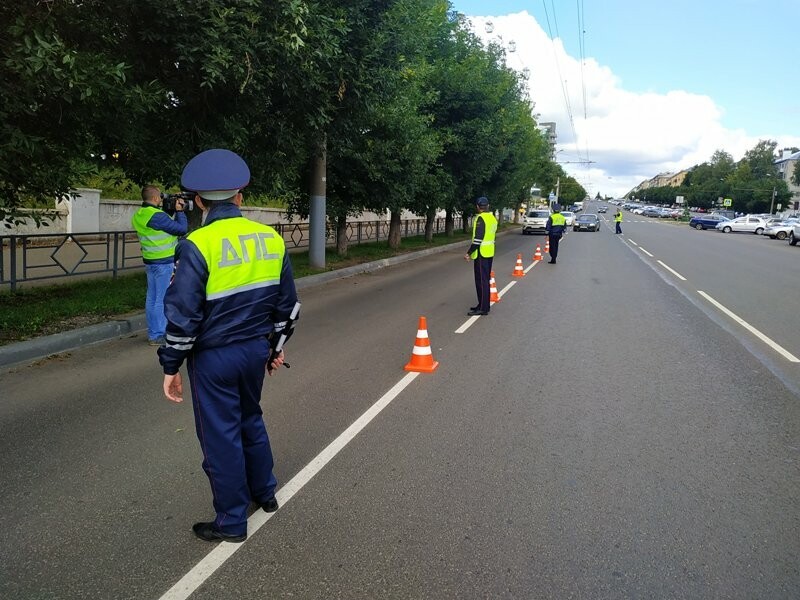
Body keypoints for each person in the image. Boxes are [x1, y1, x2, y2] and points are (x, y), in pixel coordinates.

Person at [158, 149, 299, 543]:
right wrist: (275, 347)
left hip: (214, 358)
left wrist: (170, 366)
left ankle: (232, 521)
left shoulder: (196, 245)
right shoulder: (270, 239)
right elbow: (287, 307)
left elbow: (183, 316)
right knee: (250, 419)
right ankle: (265, 492)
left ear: (199, 201)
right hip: (255, 350)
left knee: (221, 436)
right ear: (240, 196)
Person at [131, 185, 189, 345]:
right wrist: (180, 211)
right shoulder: (156, 216)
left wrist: (171, 208)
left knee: (152, 297)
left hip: (150, 261)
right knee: (161, 298)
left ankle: (153, 331)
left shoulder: (141, 214)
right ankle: (157, 334)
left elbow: (163, 223)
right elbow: (181, 229)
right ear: (156, 198)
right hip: (163, 262)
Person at [463, 196, 497, 316]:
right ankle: (482, 304)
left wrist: (468, 252)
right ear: (488, 206)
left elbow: (477, 239)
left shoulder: (481, 218)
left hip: (481, 253)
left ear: (478, 206)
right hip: (489, 252)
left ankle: (483, 308)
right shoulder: (492, 218)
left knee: (481, 281)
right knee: (484, 280)